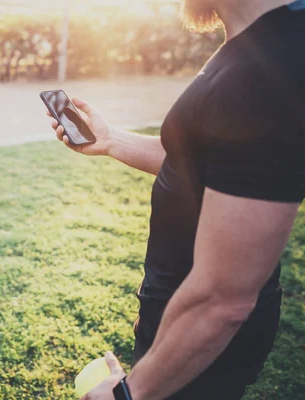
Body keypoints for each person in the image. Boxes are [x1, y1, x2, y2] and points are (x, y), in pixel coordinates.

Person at [46, 1, 305, 399]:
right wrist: (112, 140)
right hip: (184, 327)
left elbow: (224, 300)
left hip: (200, 344)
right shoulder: (259, 48)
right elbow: (203, 161)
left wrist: (129, 395)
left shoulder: (266, 71)